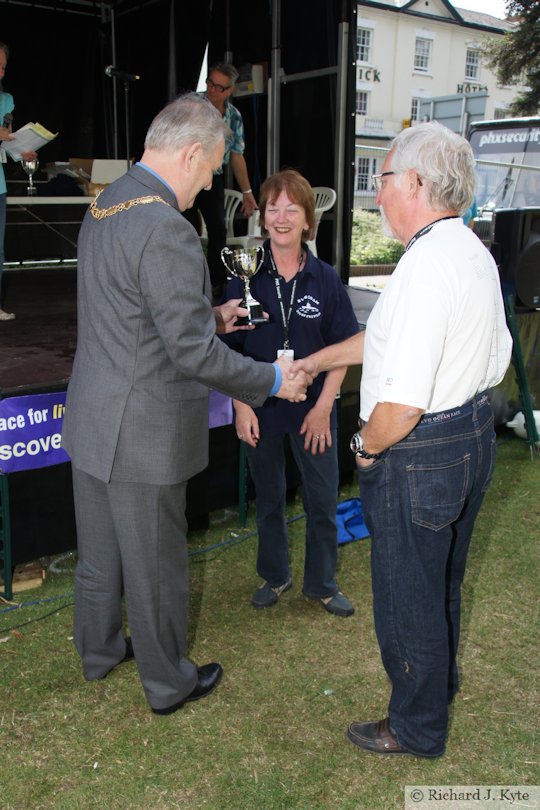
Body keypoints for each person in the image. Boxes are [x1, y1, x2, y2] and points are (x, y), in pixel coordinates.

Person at [61, 93, 310, 716]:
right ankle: (168, 683)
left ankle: (97, 653)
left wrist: (208, 318)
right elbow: (192, 357)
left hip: (92, 414)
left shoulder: (106, 201)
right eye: (212, 166)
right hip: (142, 428)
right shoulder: (167, 226)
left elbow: (134, 311)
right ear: (192, 151)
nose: (209, 181)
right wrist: (272, 380)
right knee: (156, 567)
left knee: (99, 556)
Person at [291, 122, 512, 756]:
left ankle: (416, 727)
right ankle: (435, 692)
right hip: (471, 433)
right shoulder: (465, 248)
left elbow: (403, 405)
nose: (377, 193)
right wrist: (314, 361)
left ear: (414, 182)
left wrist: (365, 448)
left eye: (383, 180)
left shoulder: (424, 267)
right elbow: (385, 337)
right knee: (440, 580)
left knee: (406, 598)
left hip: (421, 452)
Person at [222, 169, 359, 617]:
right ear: (263, 217)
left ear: (307, 220)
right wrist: (242, 407)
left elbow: (342, 349)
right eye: (272, 208)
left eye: (291, 209)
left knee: (322, 499)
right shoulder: (245, 275)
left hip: (313, 411)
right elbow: (227, 353)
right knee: (270, 498)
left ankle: (321, 583)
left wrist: (324, 408)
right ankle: (274, 575)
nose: (280, 218)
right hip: (261, 409)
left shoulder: (324, 278)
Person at [183, 62, 258, 295]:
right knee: (186, 229)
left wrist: (247, 192)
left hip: (213, 179)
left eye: (219, 87)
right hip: (187, 175)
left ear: (230, 90)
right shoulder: (191, 105)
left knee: (218, 229)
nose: (212, 90)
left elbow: (237, 156)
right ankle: (187, 280)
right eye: (210, 83)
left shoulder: (234, 116)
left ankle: (217, 283)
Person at [0, 41, 36, 321]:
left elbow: (8, 141)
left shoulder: (6, 100)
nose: (0, 73)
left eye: (3, 67)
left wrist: (23, 149)